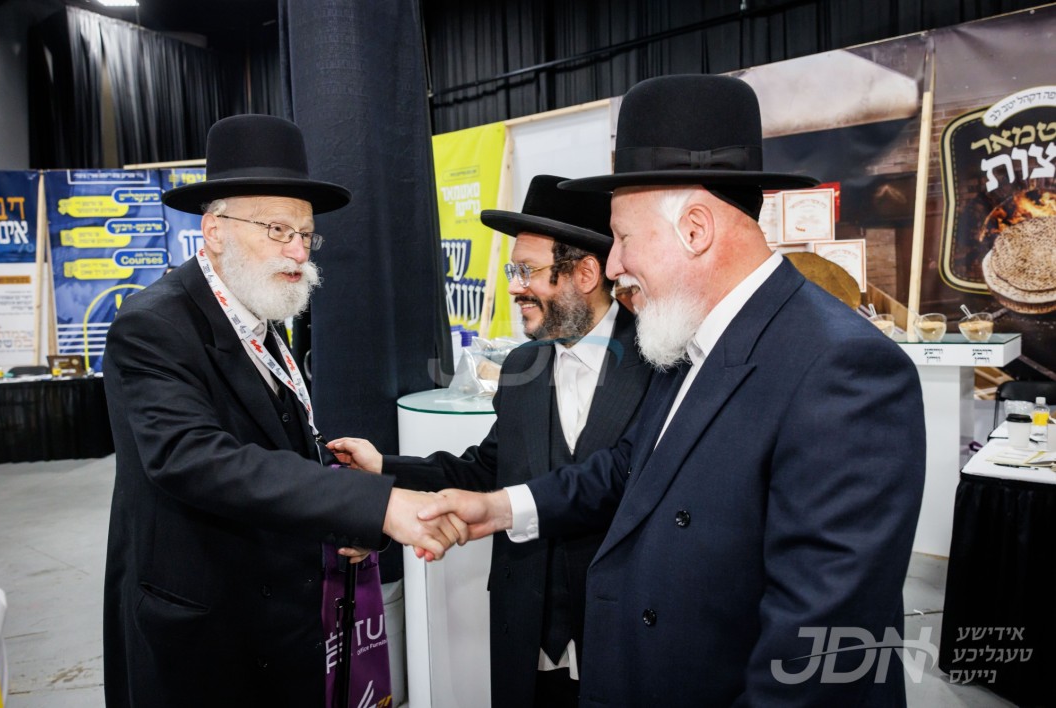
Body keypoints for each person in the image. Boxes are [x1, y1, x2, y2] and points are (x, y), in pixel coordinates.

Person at [418, 75, 927, 706]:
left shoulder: (846, 370)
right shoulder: (687, 345)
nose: (613, 266)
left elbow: (821, 654)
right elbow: (627, 469)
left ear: (694, 229)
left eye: (624, 238)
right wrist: (500, 509)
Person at [102, 114, 464, 708]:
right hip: (205, 635)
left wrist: (344, 508)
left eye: (306, 235)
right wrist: (375, 504)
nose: (298, 251)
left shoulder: (260, 315)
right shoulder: (153, 325)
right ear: (214, 229)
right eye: (277, 230)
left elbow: (269, 445)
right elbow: (194, 457)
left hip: (282, 622)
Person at [328, 175, 652, 708]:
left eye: (528, 271)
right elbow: (487, 468)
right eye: (512, 271)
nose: (515, 287)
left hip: (622, 637)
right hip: (524, 634)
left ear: (586, 273)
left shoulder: (660, 360)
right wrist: (384, 465)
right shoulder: (522, 366)